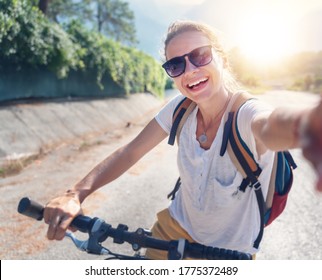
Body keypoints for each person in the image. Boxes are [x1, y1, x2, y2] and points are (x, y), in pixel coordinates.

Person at [43, 20, 322, 259]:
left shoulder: (246, 113)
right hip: (172, 229)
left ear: (222, 59)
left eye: (200, 55)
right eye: (176, 64)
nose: (189, 70)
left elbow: (270, 125)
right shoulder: (180, 108)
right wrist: (75, 193)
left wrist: (306, 123)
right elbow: (130, 152)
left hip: (229, 251)